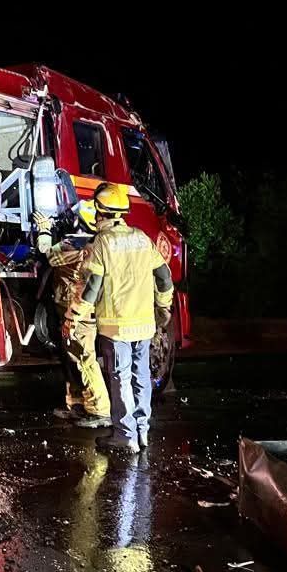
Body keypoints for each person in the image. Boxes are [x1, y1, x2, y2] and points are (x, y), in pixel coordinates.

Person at [67, 182, 174, 454]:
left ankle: (124, 435)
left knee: (121, 378)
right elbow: (164, 277)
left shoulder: (102, 243)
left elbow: (92, 288)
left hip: (117, 329)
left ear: (101, 213)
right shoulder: (141, 237)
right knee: (141, 377)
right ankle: (142, 432)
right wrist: (164, 307)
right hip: (144, 325)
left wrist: (73, 317)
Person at [37, 200, 110, 428]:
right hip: (75, 310)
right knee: (73, 358)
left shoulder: (75, 247)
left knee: (84, 358)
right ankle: (77, 404)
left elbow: (48, 252)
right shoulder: (94, 244)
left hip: (77, 312)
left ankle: (100, 411)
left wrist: (44, 228)